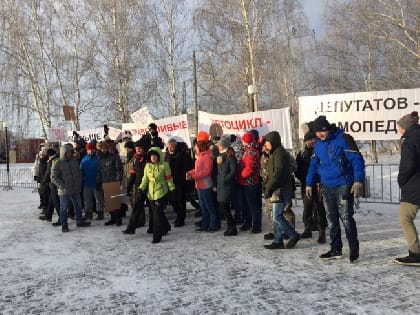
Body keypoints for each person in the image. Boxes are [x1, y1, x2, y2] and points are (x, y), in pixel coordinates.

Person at [306, 115, 365, 263]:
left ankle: (353, 248)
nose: (320, 134)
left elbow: (357, 160)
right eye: (317, 132)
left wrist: (358, 180)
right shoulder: (318, 144)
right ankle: (335, 249)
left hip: (343, 184)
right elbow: (314, 165)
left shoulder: (343, 139)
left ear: (328, 129)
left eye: (323, 131)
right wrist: (309, 183)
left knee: (346, 218)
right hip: (327, 186)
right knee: (331, 220)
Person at [262, 131, 300, 249]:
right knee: (275, 214)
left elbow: (278, 173)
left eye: (267, 143)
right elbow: (270, 173)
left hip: (281, 189)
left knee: (277, 216)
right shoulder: (274, 153)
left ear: (273, 142)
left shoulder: (280, 153)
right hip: (276, 189)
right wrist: (266, 185)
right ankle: (278, 240)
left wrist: (270, 186)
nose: (266, 145)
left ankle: (293, 235)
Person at [394, 111, 420, 266]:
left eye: (399, 128)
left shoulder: (410, 140)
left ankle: (416, 253)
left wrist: (401, 180)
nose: (398, 130)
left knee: (405, 219)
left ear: (405, 127)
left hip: (414, 185)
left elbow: (408, 165)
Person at [295, 131, 327, 244]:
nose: (312, 141)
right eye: (309, 139)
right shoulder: (302, 153)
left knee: (319, 208)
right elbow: (297, 168)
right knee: (307, 208)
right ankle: (307, 229)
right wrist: (302, 177)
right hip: (305, 184)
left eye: (313, 139)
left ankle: (322, 232)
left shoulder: (321, 151)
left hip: (318, 184)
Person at [51, 143, 91, 232]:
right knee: (64, 208)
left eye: (70, 151)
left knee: (78, 205)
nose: (69, 153)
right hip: (64, 190)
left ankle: (79, 221)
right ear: (63, 152)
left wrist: (79, 182)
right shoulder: (58, 162)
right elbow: (54, 177)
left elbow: (79, 172)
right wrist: (63, 186)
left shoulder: (74, 160)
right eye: (67, 152)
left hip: (75, 188)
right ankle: (64, 224)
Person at [139, 147, 175, 243]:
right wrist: (141, 188)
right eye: (151, 156)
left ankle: (157, 236)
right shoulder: (147, 166)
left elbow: (169, 178)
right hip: (151, 194)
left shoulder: (165, 165)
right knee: (158, 214)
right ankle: (166, 226)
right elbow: (145, 179)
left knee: (156, 215)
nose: (153, 158)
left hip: (161, 192)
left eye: (155, 155)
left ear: (159, 156)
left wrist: (172, 189)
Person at [187, 131, 218, 232]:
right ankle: (205, 224)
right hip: (199, 185)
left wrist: (193, 176)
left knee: (209, 206)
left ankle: (213, 224)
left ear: (200, 147)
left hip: (205, 185)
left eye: (196, 146)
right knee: (203, 207)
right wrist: (190, 172)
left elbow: (206, 171)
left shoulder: (207, 157)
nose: (194, 148)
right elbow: (197, 170)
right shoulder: (200, 157)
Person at [165, 139, 193, 227]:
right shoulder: (167, 155)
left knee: (181, 201)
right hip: (170, 181)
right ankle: (179, 215)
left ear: (175, 146)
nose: (170, 149)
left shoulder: (182, 154)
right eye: (169, 147)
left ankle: (181, 218)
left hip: (180, 182)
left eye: (172, 147)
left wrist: (181, 176)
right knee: (172, 200)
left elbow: (187, 167)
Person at [123, 138, 149, 234]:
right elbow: (133, 174)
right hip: (139, 186)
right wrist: (129, 188)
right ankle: (131, 228)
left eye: (140, 148)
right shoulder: (136, 159)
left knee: (154, 209)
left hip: (150, 186)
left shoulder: (148, 158)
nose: (138, 149)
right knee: (136, 207)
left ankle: (162, 226)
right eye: (137, 148)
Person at [237, 132, 261, 233]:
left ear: (246, 141)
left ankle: (256, 225)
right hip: (245, 182)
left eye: (243, 140)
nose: (241, 142)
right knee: (246, 204)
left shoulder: (251, 152)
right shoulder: (248, 150)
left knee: (252, 204)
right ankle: (247, 223)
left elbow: (249, 167)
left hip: (249, 182)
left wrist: (241, 175)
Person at [215, 135, 238, 236]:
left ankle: (232, 227)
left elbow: (233, 171)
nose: (218, 146)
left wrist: (225, 179)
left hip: (226, 185)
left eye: (219, 144)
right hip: (221, 185)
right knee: (224, 207)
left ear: (223, 145)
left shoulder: (230, 156)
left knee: (225, 207)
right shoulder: (221, 155)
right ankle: (231, 226)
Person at [97, 140, 124, 226]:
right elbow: (99, 172)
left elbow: (119, 170)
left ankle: (118, 219)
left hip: (113, 181)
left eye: (104, 148)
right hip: (105, 182)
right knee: (109, 202)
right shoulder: (100, 159)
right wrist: (98, 182)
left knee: (115, 201)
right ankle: (113, 218)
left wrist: (118, 180)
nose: (103, 150)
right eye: (101, 148)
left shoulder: (114, 157)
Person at [80, 142, 104, 220]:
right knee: (87, 199)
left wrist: (100, 181)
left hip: (96, 183)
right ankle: (88, 213)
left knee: (98, 199)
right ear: (87, 150)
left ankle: (100, 213)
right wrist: (82, 179)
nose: (91, 151)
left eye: (92, 149)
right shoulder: (84, 159)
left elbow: (101, 170)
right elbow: (81, 170)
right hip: (86, 183)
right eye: (89, 150)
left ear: (95, 149)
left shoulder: (98, 158)